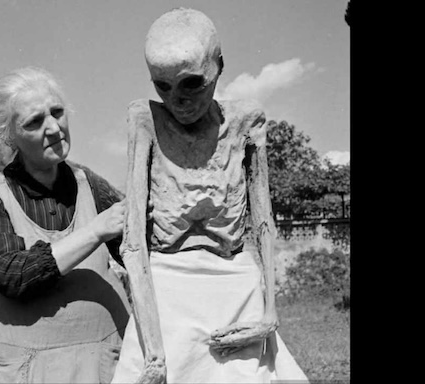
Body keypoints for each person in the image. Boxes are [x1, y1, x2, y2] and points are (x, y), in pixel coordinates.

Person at [111, 8, 309, 383]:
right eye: (163, 86)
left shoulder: (247, 122)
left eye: (191, 84)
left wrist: (268, 318)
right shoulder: (145, 121)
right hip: (165, 295)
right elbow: (133, 241)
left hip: (235, 289)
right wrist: (154, 355)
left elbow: (264, 222)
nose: (178, 100)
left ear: (219, 67)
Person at [0, 66, 131, 384]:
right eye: (34, 122)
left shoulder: (90, 184)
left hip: (99, 369)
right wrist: (94, 231)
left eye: (57, 112)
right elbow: (14, 276)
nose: (53, 128)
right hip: (20, 372)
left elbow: (140, 252)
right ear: (11, 137)